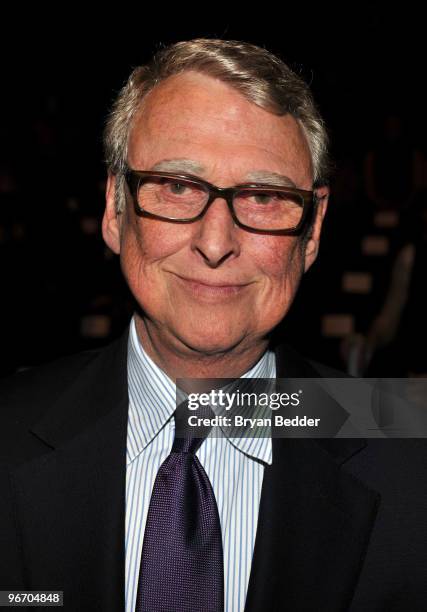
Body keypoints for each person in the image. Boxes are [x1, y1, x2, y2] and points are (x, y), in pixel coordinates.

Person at [1, 39, 427, 612]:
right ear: (114, 209)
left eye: (263, 196)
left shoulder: (411, 449)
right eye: (177, 187)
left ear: (314, 229)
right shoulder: (7, 431)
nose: (216, 242)